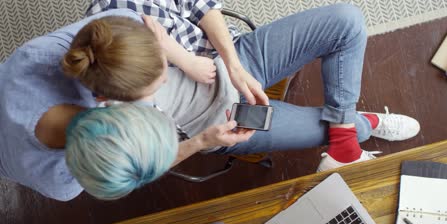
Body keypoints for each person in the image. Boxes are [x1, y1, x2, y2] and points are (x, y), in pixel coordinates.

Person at [0, 2, 419, 201]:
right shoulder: (63, 179)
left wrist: (224, 65)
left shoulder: (106, 33)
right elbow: (142, 163)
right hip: (217, 121)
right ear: (107, 102)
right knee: (349, 129)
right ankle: (354, 128)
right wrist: (200, 142)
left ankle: (345, 134)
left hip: (228, 62)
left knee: (346, 21)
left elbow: (193, 4)